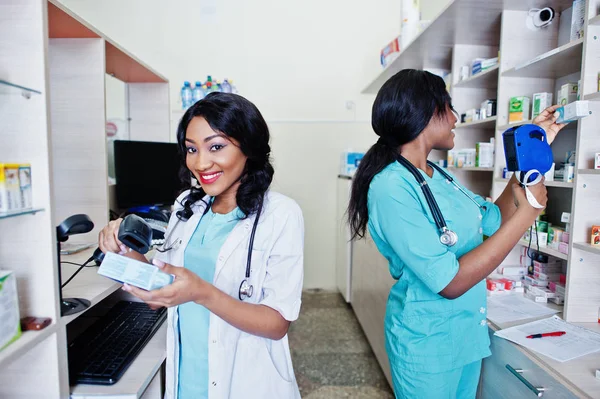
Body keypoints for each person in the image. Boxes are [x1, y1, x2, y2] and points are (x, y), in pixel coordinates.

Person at [347, 69, 566, 398]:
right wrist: (530, 213)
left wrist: (529, 151)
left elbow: (493, 220)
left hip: (465, 336)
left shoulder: (438, 175)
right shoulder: (391, 187)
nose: (454, 117)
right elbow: (449, 282)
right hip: (427, 345)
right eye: (448, 107)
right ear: (425, 112)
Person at [98, 92, 304, 399]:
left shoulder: (281, 214)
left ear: (249, 146)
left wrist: (202, 292)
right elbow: (161, 291)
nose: (201, 162)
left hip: (245, 379)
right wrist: (123, 247)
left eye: (216, 146)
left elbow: (276, 324)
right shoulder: (188, 206)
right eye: (191, 149)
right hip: (187, 378)